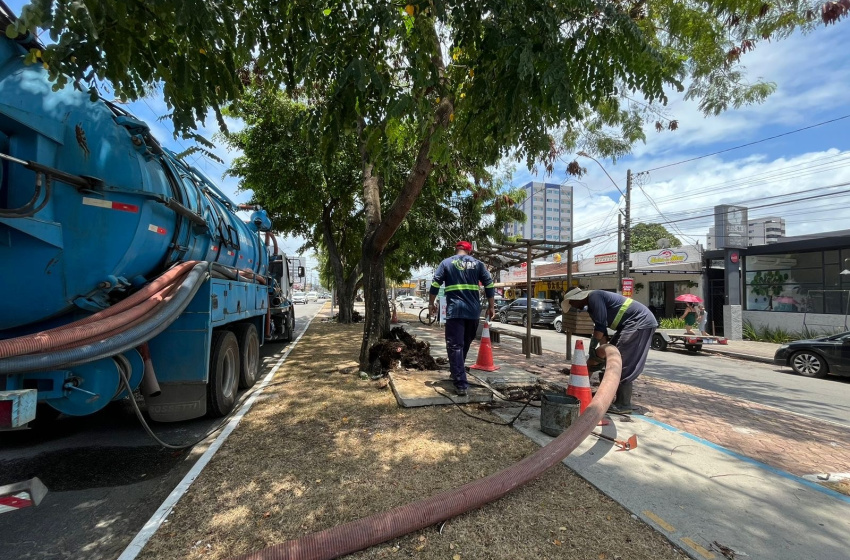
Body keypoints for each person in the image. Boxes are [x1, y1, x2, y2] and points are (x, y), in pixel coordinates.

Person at [564, 288, 658, 413]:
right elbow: (603, 335)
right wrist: (599, 356)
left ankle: (623, 404)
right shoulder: (591, 308)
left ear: (577, 298)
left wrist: (592, 346)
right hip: (627, 325)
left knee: (622, 362)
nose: (572, 306)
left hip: (639, 323)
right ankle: (603, 394)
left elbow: (600, 327)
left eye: (571, 303)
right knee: (609, 360)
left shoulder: (594, 296)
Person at [429, 241, 495, 396]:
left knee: (455, 346)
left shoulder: (446, 263)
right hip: (473, 312)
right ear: (470, 252)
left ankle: (460, 383)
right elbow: (489, 284)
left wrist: (431, 303)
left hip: (455, 311)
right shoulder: (478, 264)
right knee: (463, 343)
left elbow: (435, 284)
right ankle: (457, 372)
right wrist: (491, 307)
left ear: (456, 250)